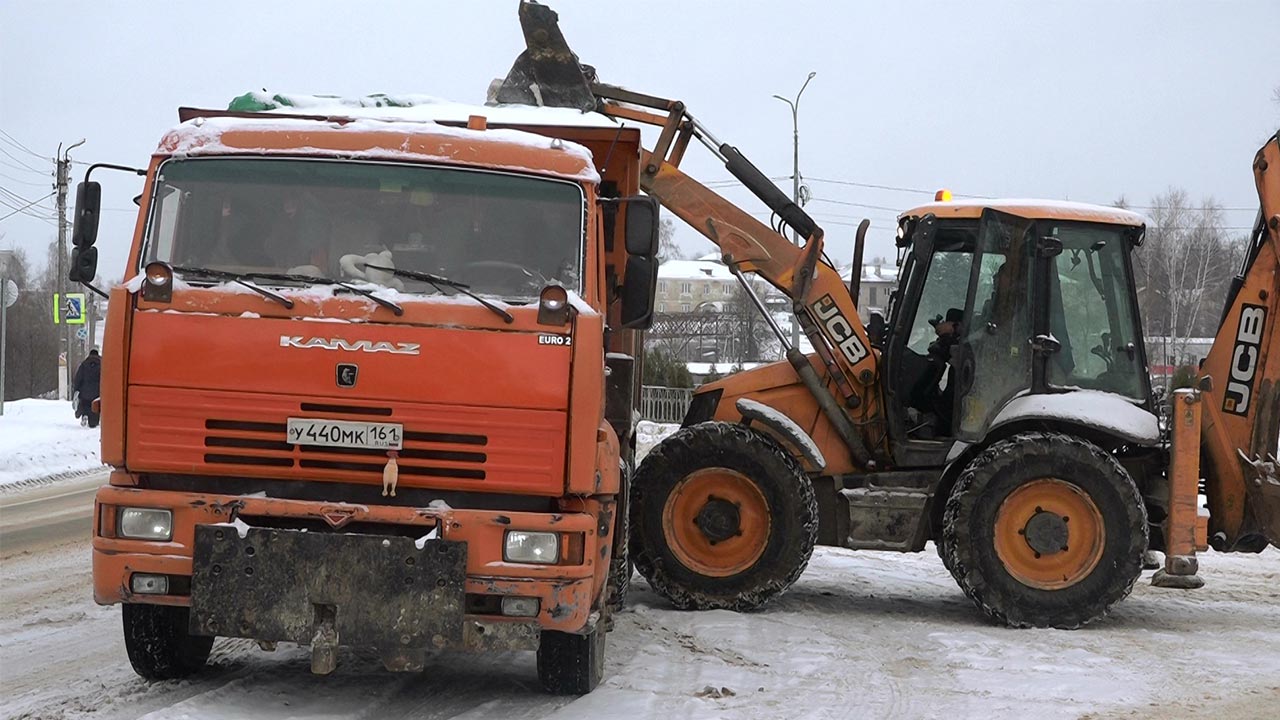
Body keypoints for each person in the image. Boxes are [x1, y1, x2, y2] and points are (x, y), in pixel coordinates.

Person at [73, 348, 102, 429]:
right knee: (95, 408)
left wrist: (76, 389)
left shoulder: (84, 364)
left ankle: (84, 415)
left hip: (84, 391)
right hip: (97, 392)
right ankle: (93, 422)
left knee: (85, 405)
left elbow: (78, 378)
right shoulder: (102, 364)